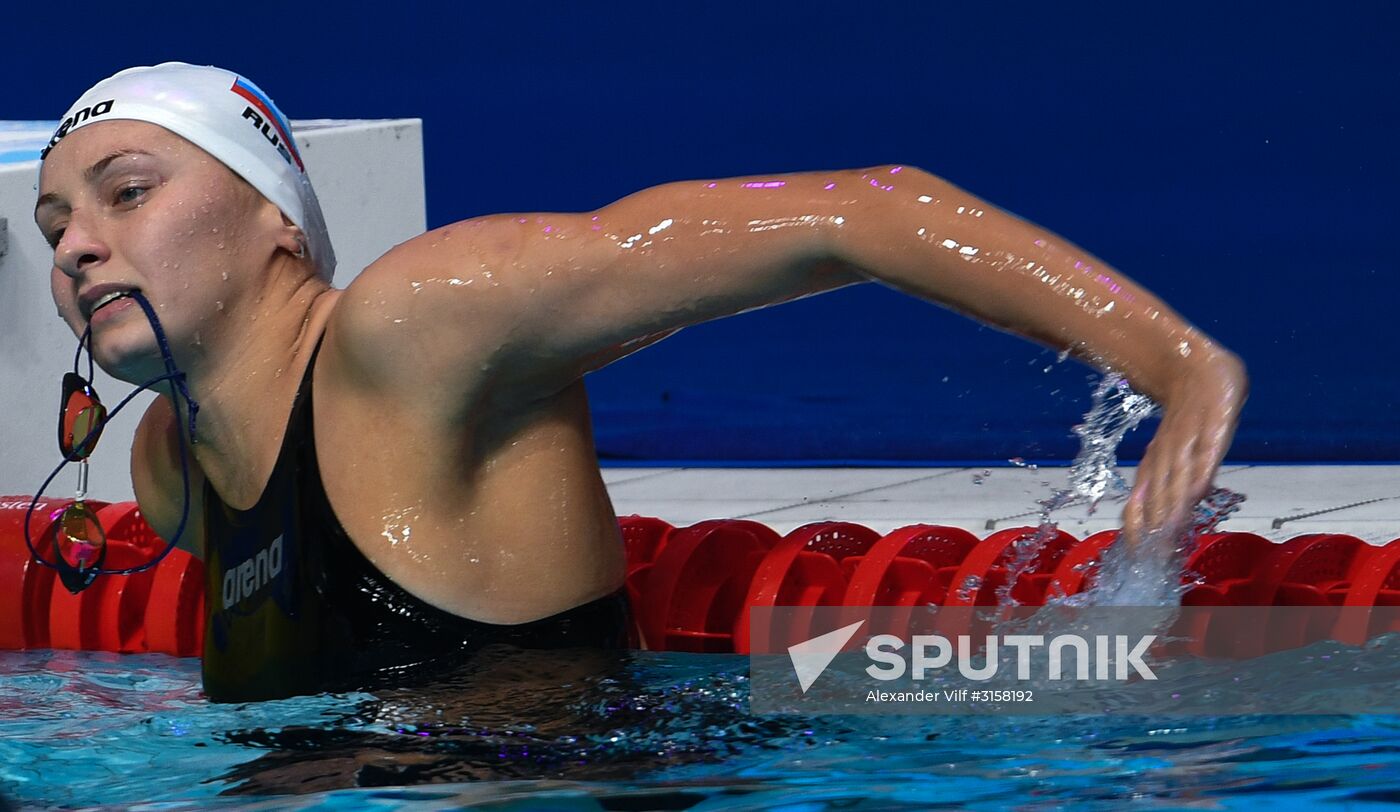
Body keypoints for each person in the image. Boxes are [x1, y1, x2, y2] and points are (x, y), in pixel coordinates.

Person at [33, 63, 1247, 701]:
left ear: (277, 225)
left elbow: (857, 210)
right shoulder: (170, 472)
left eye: (127, 191)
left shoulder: (416, 326)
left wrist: (1170, 365)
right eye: (53, 225)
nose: (79, 242)